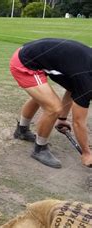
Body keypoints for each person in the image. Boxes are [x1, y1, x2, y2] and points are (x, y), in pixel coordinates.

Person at [10, 38, 92, 168]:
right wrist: (87, 153)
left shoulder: (86, 71)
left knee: (42, 97)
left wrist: (62, 119)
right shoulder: (86, 79)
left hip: (33, 55)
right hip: (24, 63)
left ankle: (22, 131)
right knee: (53, 108)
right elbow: (78, 122)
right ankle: (40, 149)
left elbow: (73, 90)